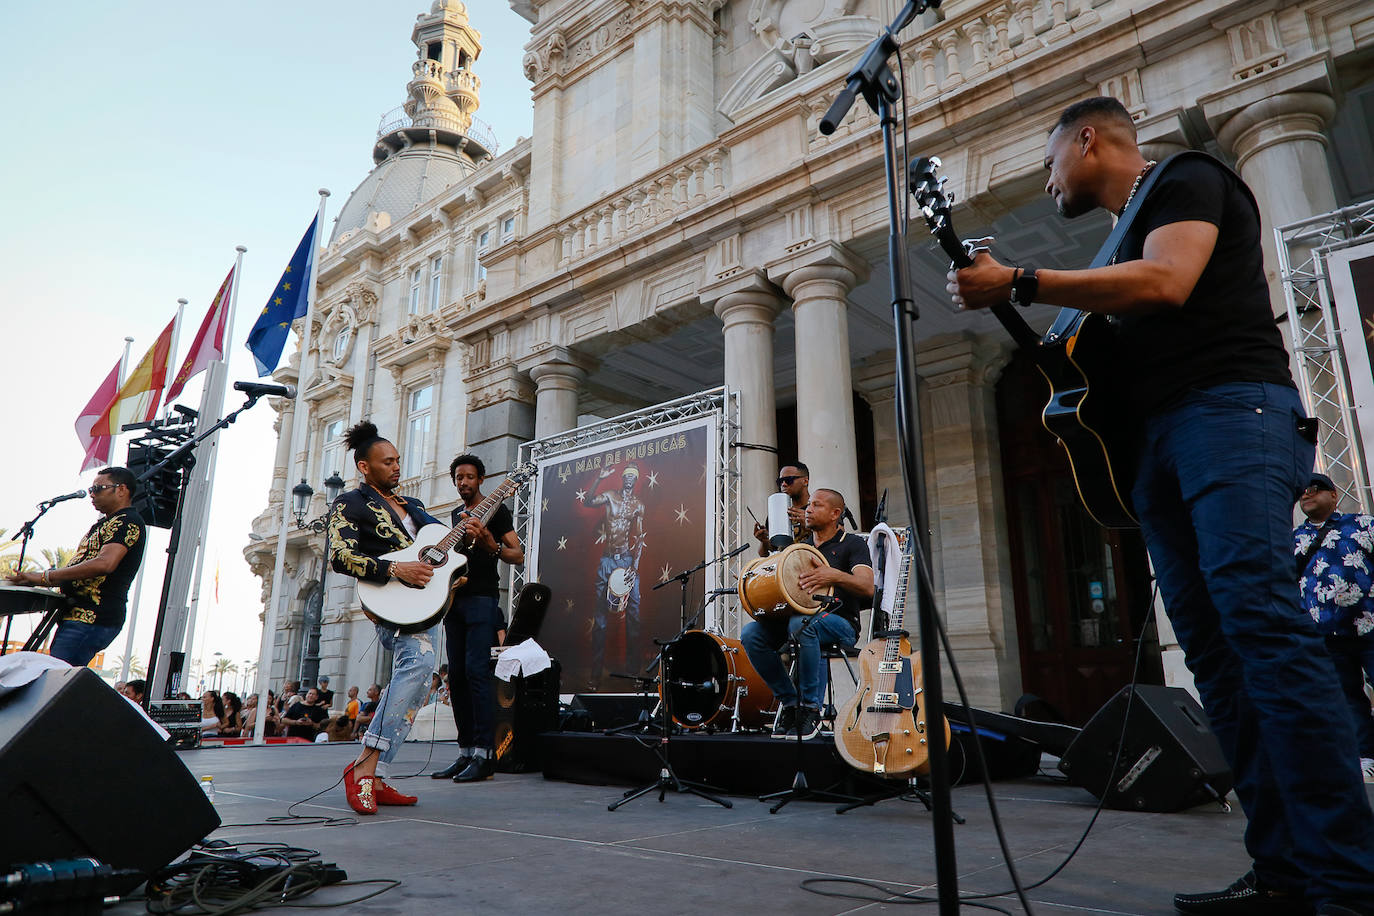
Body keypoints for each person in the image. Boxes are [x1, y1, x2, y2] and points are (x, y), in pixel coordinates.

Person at [952, 96, 1374, 916]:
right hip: (1161, 445)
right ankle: (1284, 868)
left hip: (1230, 413)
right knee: (1216, 660)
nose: (1047, 182)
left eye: (1049, 163)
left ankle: (1351, 882)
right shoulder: (1117, 239)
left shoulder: (1184, 176)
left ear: (1088, 139)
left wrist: (1024, 279)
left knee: (1263, 628)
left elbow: (1169, 280)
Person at [329, 420, 441, 814]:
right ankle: (362, 768)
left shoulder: (416, 507)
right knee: (419, 664)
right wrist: (396, 571)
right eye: (387, 461)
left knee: (421, 680)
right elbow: (340, 556)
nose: (397, 466)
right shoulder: (350, 503)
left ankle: (374, 777)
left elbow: (442, 557)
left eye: (397, 460)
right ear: (364, 466)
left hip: (428, 606)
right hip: (392, 607)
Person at [741, 488, 873, 740]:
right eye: (808, 505)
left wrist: (833, 574)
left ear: (835, 513)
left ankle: (811, 709)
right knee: (752, 634)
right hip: (798, 620)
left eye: (816, 505)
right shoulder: (801, 547)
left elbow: (867, 586)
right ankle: (791, 703)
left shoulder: (853, 543)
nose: (808, 509)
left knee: (801, 624)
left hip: (842, 623)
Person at [431, 454, 524, 783]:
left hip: (483, 601)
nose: (464, 482)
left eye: (469, 476)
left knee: (476, 674)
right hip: (454, 602)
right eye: (458, 477)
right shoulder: (457, 516)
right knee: (455, 677)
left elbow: (517, 554)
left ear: (481, 479)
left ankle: (486, 754)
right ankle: (466, 751)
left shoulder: (496, 509)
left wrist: (492, 545)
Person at [7, 467, 146, 667]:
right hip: (78, 616)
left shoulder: (128, 522)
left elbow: (105, 564)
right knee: (50, 679)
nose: (92, 494)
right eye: (91, 489)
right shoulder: (104, 524)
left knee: (52, 681)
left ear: (121, 490)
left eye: (98, 488)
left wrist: (45, 577)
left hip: (92, 617)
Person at [1295, 472, 1374, 783]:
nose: (1306, 495)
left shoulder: (1363, 525)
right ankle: (1366, 757)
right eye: (1302, 492)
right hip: (1325, 636)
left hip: (1369, 626)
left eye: (1314, 489)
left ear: (1334, 495)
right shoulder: (1295, 539)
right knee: (1346, 697)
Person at [578, 463, 645, 689]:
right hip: (607, 560)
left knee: (634, 616)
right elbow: (587, 502)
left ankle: (634, 673)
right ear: (622, 478)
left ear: (635, 480)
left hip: (627, 561)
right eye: (625, 475)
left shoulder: (638, 505)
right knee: (601, 620)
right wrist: (598, 479)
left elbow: (640, 536)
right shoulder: (610, 496)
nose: (628, 479)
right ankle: (595, 676)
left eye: (631, 476)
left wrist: (634, 566)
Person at [752, 462, 812, 557]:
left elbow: (836, 538)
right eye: (780, 481)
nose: (783, 484)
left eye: (789, 480)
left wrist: (810, 524)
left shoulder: (817, 508)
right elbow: (764, 554)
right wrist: (764, 541)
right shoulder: (777, 513)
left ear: (805, 481)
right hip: (785, 567)